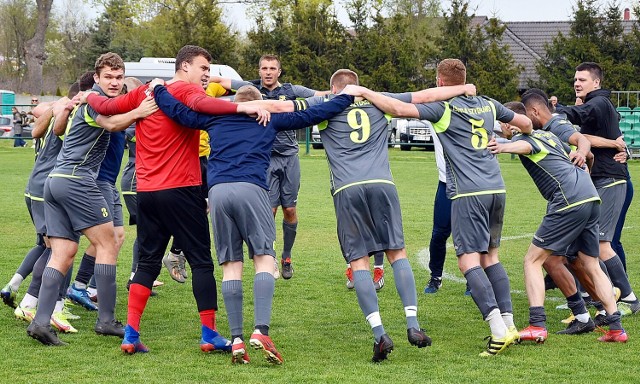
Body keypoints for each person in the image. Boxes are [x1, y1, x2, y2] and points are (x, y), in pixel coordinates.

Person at [251, 69, 477, 362]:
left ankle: (380, 334)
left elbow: (282, 106)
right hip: (383, 185)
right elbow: (425, 96)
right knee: (397, 253)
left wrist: (241, 107)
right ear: (359, 86)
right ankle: (413, 324)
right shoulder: (379, 101)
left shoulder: (327, 103)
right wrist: (463, 88)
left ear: (334, 87)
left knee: (359, 262)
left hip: (347, 189)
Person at [151, 80, 353, 364]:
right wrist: (346, 97)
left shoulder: (216, 117)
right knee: (263, 258)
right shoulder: (267, 119)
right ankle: (260, 330)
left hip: (218, 192)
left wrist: (158, 89)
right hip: (252, 189)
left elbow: (178, 113)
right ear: (260, 104)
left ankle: (235, 339)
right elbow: (312, 115)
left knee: (231, 265)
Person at [84, 45, 268, 355]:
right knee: (201, 262)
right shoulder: (184, 90)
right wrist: (245, 108)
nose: (207, 74)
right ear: (184, 67)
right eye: (203, 68)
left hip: (147, 192)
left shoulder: (145, 92)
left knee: (147, 263)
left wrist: (86, 96)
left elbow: (105, 103)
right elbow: (207, 105)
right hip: (182, 190)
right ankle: (209, 333)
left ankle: (131, 334)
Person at [342, 59, 532, 357]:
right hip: (498, 188)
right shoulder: (489, 103)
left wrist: (364, 91)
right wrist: (507, 138)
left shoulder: (445, 108)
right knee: (491, 257)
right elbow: (526, 124)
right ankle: (510, 325)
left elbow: (398, 109)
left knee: (468, 262)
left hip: (469, 193)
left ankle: (497, 330)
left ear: (441, 83)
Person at [26, 53, 157, 346]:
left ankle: (41, 321)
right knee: (108, 243)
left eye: (118, 77)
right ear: (96, 78)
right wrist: (140, 111)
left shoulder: (87, 101)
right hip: (77, 180)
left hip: (55, 180)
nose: (114, 82)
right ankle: (107, 320)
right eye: (108, 76)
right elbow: (111, 125)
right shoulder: (93, 101)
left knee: (64, 252)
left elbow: (63, 128)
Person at [491, 96, 626, 343]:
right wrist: (585, 171)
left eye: (501, 124)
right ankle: (614, 327)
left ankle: (537, 325)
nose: (501, 129)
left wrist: (502, 147)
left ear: (511, 122)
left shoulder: (525, 138)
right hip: (590, 196)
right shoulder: (550, 135)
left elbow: (526, 147)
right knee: (587, 263)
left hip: (568, 201)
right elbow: (588, 156)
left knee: (532, 260)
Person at [210, 54, 330, 280]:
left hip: (290, 157)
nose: (267, 72)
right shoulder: (250, 90)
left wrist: (344, 92)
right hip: (266, 159)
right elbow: (221, 82)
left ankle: (287, 256)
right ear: (258, 71)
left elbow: (319, 96)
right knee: (269, 210)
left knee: (290, 211)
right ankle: (270, 257)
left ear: (279, 72)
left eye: (272, 68)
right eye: (264, 68)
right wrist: (205, 79)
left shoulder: (291, 90)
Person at [556, 62, 640, 315]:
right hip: (600, 180)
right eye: (575, 80)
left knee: (604, 244)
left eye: (582, 79)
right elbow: (585, 136)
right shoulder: (594, 105)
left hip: (611, 180)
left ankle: (628, 298)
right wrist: (615, 144)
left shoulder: (599, 103)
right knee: (588, 243)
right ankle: (594, 294)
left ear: (596, 83)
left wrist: (555, 111)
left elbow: (578, 128)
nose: (577, 83)